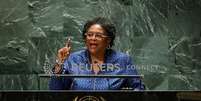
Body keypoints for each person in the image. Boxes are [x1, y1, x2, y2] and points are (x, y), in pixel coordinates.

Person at [49, 17, 145, 90]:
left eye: (98, 35)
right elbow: (55, 90)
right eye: (89, 35)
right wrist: (59, 63)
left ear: (108, 40)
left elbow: (139, 88)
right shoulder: (74, 59)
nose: (93, 38)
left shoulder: (122, 60)